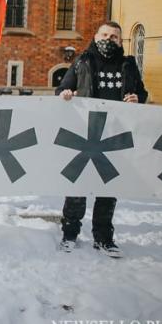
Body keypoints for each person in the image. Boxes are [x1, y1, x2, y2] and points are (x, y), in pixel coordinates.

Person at [56, 21, 147, 258]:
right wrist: (66, 94)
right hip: (85, 134)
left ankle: (103, 238)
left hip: (114, 136)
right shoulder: (82, 61)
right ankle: (69, 233)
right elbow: (63, 89)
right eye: (105, 35)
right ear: (96, 36)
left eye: (115, 36)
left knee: (109, 188)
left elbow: (142, 93)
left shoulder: (128, 65)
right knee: (78, 186)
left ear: (120, 40)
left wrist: (137, 98)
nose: (109, 39)